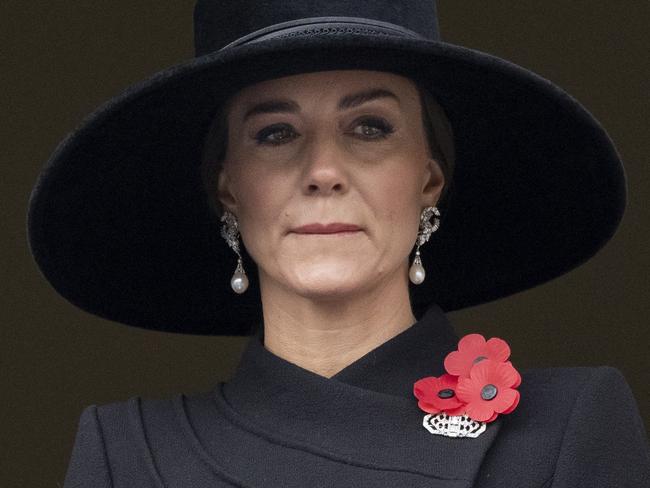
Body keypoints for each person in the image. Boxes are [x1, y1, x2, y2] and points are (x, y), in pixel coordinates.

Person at [26, 1, 650, 487]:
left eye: (369, 127)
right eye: (275, 133)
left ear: (429, 178)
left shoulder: (567, 428)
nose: (324, 170)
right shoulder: (127, 453)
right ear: (229, 189)